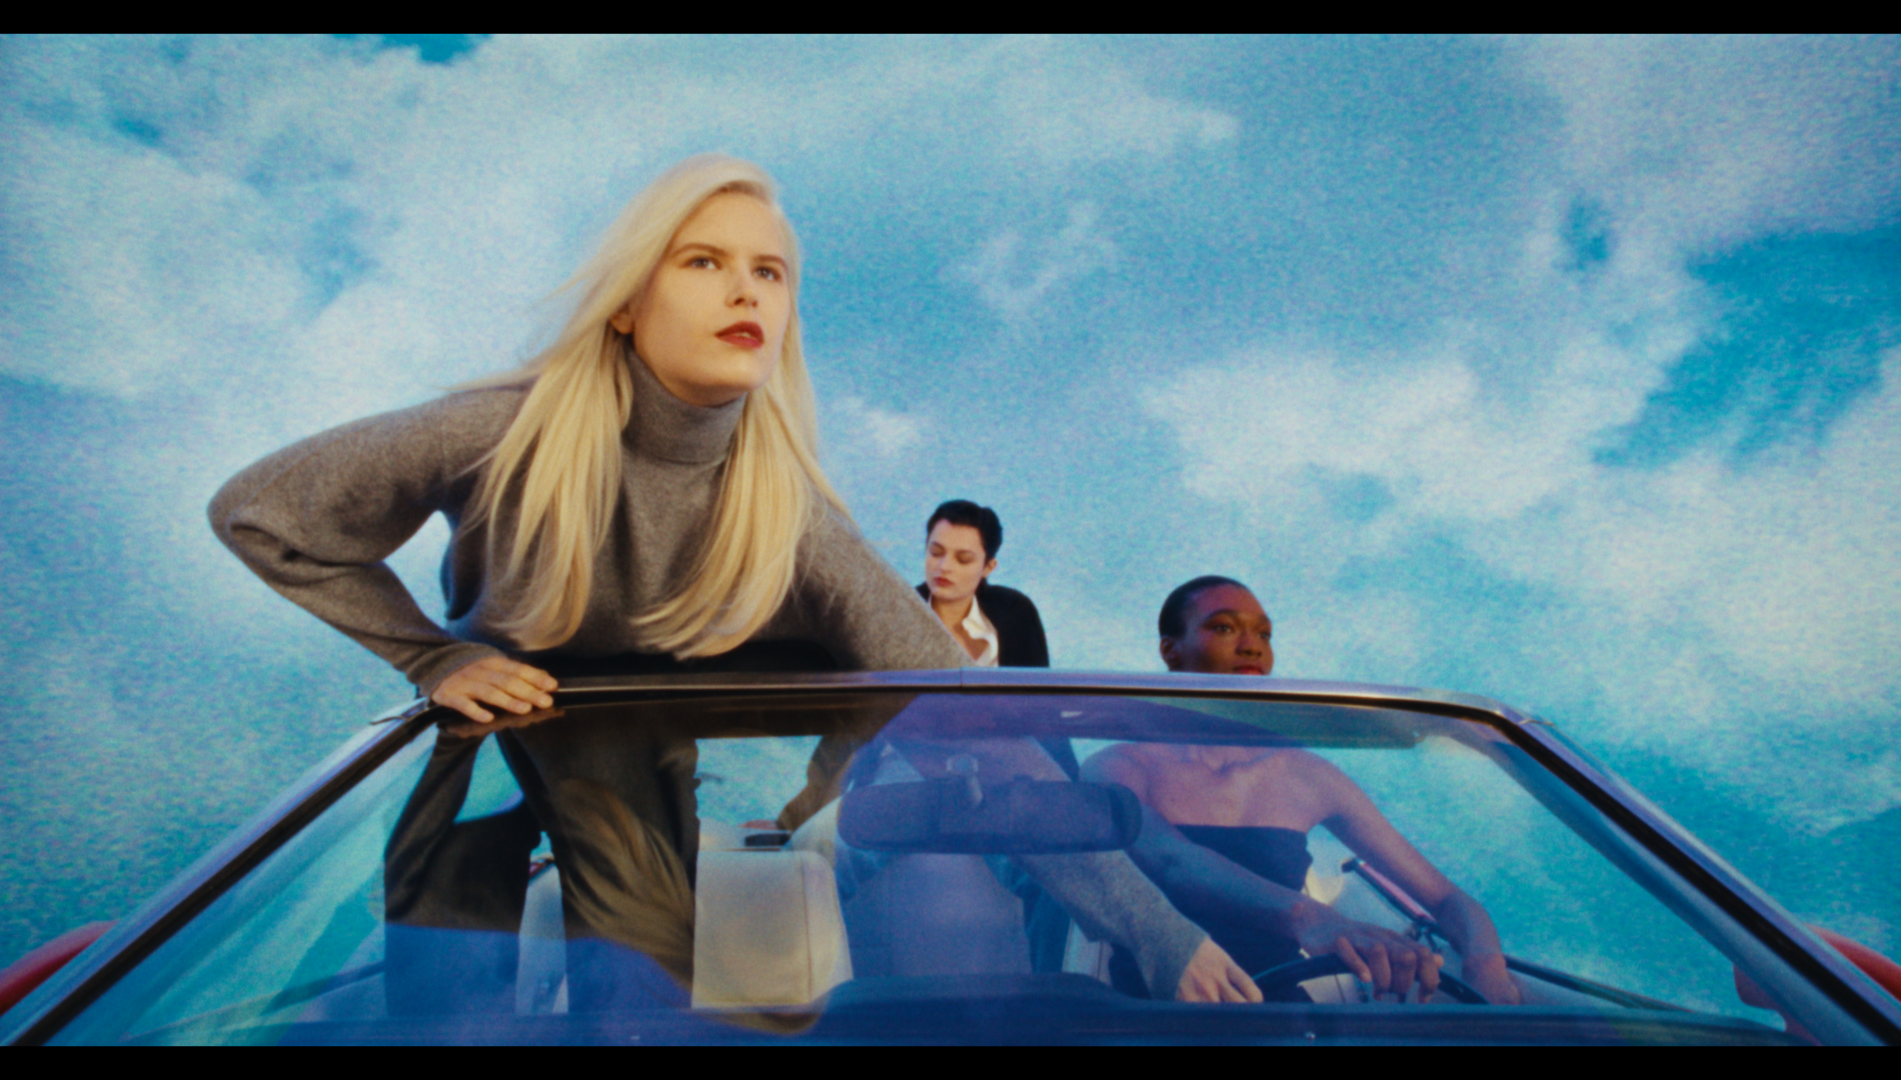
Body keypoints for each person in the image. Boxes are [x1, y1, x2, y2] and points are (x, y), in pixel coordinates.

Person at [208, 154, 1245, 1006]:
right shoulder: (504, 432)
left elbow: (972, 727)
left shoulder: (787, 513)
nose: (745, 290)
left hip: (636, 760)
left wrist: (1162, 939)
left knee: (637, 1019)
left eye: (770, 272)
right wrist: (432, 652)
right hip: (486, 752)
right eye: (702, 262)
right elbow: (262, 514)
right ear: (626, 302)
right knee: (454, 1032)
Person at [1082, 575, 1522, 1005]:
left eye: (1264, 634)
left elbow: (1446, 898)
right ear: (1170, 650)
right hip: (1149, 1024)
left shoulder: (1306, 774)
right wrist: (1312, 918)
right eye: (1224, 627)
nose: (1252, 645)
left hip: (1283, 1025)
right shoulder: (1118, 767)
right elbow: (1173, 862)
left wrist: (1486, 968)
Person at [915, 500, 1048, 669]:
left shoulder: (1015, 612)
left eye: (963, 559)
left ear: (988, 567)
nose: (944, 567)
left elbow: (1038, 692)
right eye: (936, 553)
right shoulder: (897, 612)